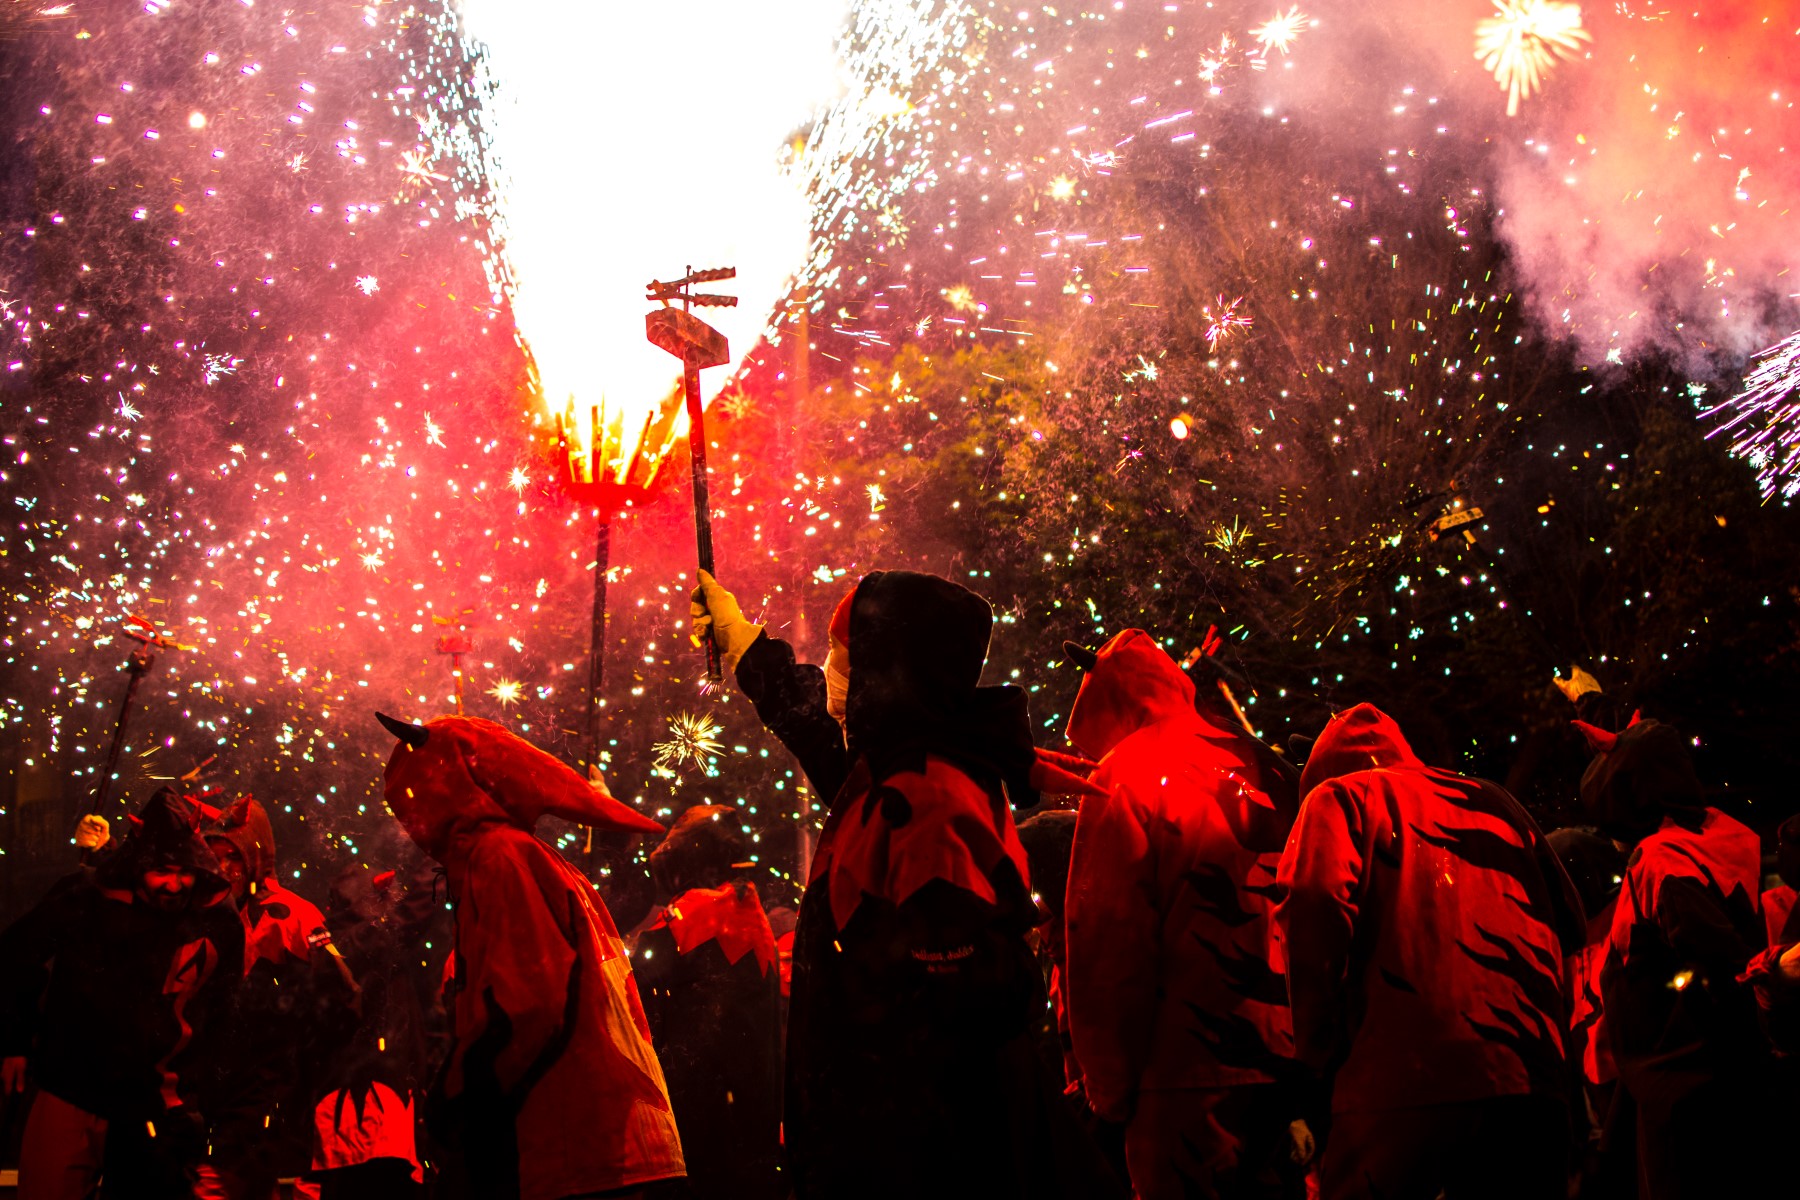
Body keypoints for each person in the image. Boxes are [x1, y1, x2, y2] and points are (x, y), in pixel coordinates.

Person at [692, 568, 1123, 1199]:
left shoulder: (926, 799)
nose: (833, 670)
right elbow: (815, 727)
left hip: (920, 1154)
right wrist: (744, 643)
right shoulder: (898, 770)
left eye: (844, 653)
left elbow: (958, 1008)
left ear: (886, 668)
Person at [1275, 703, 1584, 1200]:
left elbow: (1314, 901)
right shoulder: (1496, 801)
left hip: (1403, 1082)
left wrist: (1313, 1053)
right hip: (1532, 1080)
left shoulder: (1339, 798)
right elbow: (1571, 924)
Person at [375, 712, 684, 1200]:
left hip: (566, 1138)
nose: (409, 823)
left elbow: (525, 1004)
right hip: (591, 1135)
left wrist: (458, 1092)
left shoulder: (498, 856)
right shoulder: (516, 854)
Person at [1061, 629, 1307, 1200]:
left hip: (1186, 1069)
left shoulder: (1124, 772)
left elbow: (1105, 938)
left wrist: (1108, 1086)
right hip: (1288, 1059)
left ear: (1108, 712)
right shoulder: (1266, 764)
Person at [0, 788, 244, 1200]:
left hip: (155, 1100)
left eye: (184, 872)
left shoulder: (216, 918)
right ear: (139, 865)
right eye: (161, 870)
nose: (174, 884)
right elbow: (15, 956)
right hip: (70, 1086)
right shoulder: (86, 898)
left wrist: (208, 1105)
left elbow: (225, 1011)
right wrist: (14, 1042)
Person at [1573, 717, 1771, 1199]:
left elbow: (1713, 955)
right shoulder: (1725, 834)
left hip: (1681, 1078)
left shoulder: (1663, 860)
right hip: (1717, 1069)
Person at [194, 795, 358, 1200]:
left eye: (233, 857)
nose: (223, 869)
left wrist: (302, 1064)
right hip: (211, 1089)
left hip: (270, 1092)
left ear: (255, 857)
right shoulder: (199, 913)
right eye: (215, 857)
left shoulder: (296, 915)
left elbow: (343, 999)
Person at [634, 805, 782, 1200]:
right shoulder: (746, 908)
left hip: (701, 1116)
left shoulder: (699, 911)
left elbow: (637, 974)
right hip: (748, 1117)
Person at [305, 857, 443, 1199]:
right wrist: (436, 858)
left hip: (360, 1114)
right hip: (367, 1115)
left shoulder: (342, 941)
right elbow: (412, 913)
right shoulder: (357, 942)